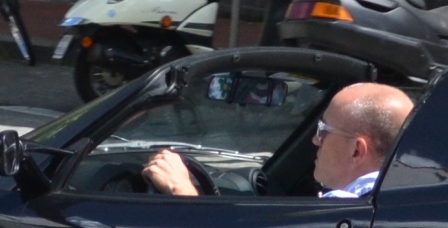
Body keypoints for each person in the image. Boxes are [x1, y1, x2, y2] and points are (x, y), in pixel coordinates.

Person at [142, 81, 413, 199]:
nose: (316, 141)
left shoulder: (342, 213)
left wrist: (182, 189)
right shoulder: (410, 197)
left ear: (357, 151)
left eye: (324, 131)